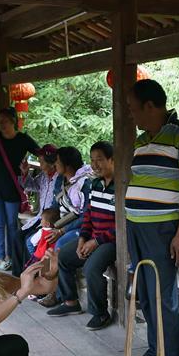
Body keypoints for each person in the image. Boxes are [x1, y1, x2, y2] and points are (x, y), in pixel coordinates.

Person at [125, 79, 179, 356]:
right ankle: (155, 351)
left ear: (150, 106)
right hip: (136, 227)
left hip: (161, 230)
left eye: (134, 109)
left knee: (162, 295)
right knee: (145, 295)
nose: (131, 115)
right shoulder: (142, 140)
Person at [47, 141, 117, 331]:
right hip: (94, 237)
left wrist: (95, 242)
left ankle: (100, 313)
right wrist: (82, 239)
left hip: (113, 241)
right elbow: (88, 217)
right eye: (92, 160)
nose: (95, 165)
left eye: (100, 160)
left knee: (91, 267)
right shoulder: (95, 184)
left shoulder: (121, 187)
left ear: (112, 160)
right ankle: (70, 302)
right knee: (63, 255)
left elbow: (122, 226)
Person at [0, 108, 40, 272]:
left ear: (13, 121)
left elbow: (41, 153)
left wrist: (27, 169)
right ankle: (1, 258)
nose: (1, 125)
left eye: (4, 121)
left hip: (13, 186)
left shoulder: (23, 139)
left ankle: (13, 256)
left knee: (12, 223)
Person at [37, 146, 93, 308]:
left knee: (60, 245)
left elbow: (85, 216)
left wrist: (61, 231)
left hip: (78, 227)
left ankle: (58, 294)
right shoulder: (61, 181)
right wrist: (47, 219)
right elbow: (56, 205)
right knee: (41, 241)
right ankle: (45, 284)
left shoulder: (85, 182)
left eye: (57, 161)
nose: (54, 164)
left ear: (67, 165)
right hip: (64, 224)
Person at [21, 144, 63, 257]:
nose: (40, 164)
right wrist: (25, 173)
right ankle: (19, 271)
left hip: (51, 221)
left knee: (29, 240)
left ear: (51, 163)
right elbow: (31, 186)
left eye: (41, 161)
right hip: (40, 217)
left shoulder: (60, 178)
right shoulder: (44, 176)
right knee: (17, 236)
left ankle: (33, 268)